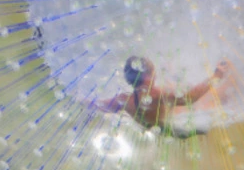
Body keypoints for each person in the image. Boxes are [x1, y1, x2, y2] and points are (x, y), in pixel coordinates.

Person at [96, 56, 230, 137]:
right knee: (217, 103)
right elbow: (190, 98)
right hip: (177, 133)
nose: (155, 76)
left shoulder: (123, 100)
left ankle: (171, 72)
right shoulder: (155, 94)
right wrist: (216, 75)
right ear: (149, 75)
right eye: (153, 73)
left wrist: (80, 99)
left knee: (172, 88)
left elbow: (99, 105)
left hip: (155, 131)